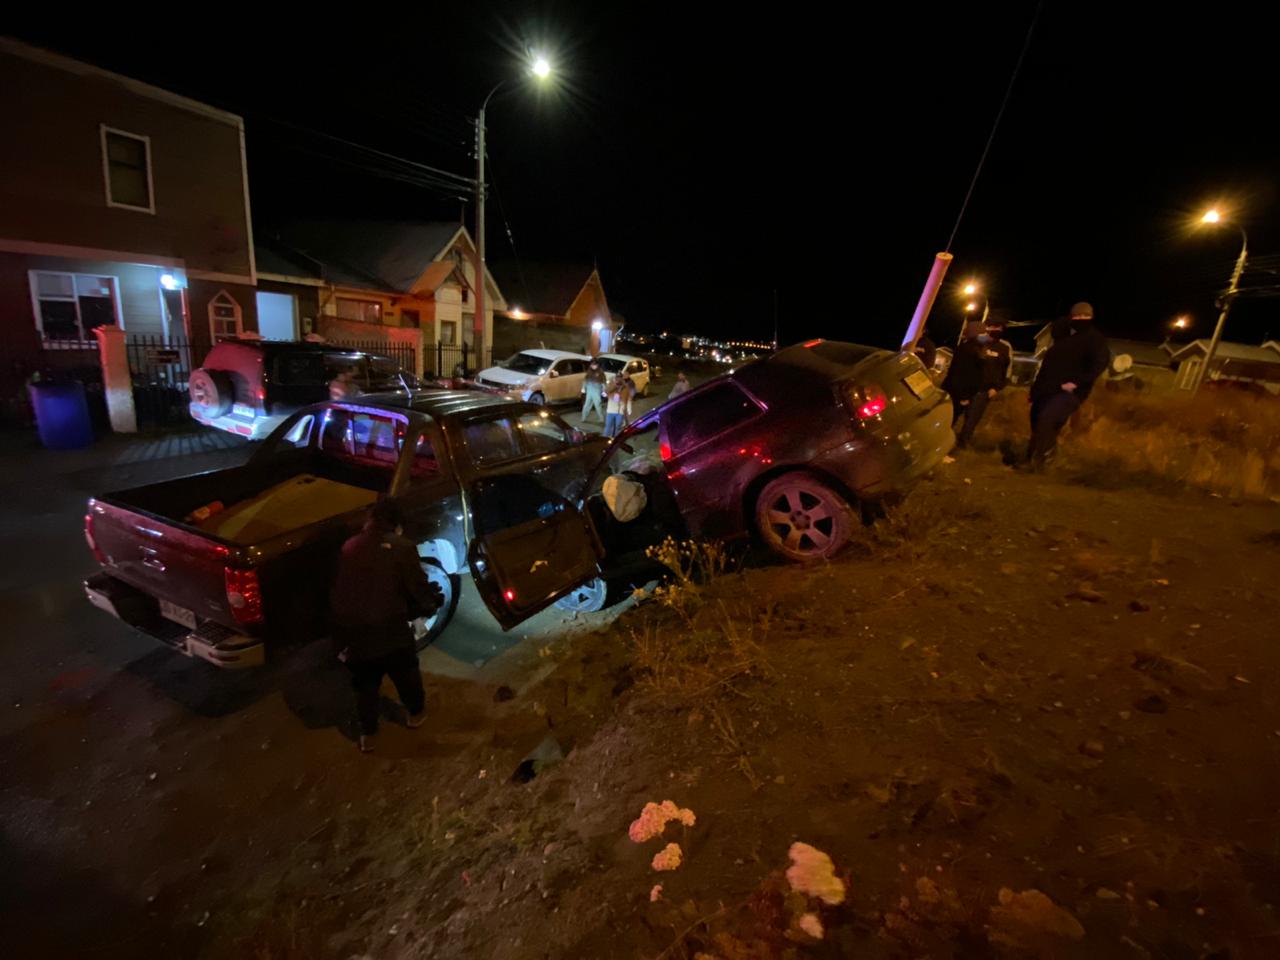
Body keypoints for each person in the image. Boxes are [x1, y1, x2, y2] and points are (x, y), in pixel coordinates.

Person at [330, 499, 443, 753]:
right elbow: (417, 589)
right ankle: (415, 714)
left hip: (354, 634)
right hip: (390, 630)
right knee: (406, 674)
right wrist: (430, 604)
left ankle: (368, 734)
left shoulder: (350, 546)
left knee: (365, 686)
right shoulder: (402, 547)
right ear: (397, 523)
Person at [1021, 301, 1109, 469]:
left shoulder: (1095, 340)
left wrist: (1076, 383)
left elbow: (1098, 365)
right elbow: (1046, 370)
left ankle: (1045, 459)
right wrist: (1034, 392)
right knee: (1038, 424)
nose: (1081, 318)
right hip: (1046, 390)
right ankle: (1030, 459)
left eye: (1085, 316)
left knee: (1047, 419)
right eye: (1077, 315)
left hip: (1069, 392)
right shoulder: (1060, 342)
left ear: (1091, 317)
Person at [941, 319, 990, 450]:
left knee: (950, 421)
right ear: (976, 334)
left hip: (959, 393)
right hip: (957, 394)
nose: (986, 335)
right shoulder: (968, 350)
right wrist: (963, 396)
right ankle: (940, 451)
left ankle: (942, 449)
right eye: (983, 332)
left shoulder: (973, 348)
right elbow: (960, 374)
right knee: (949, 421)